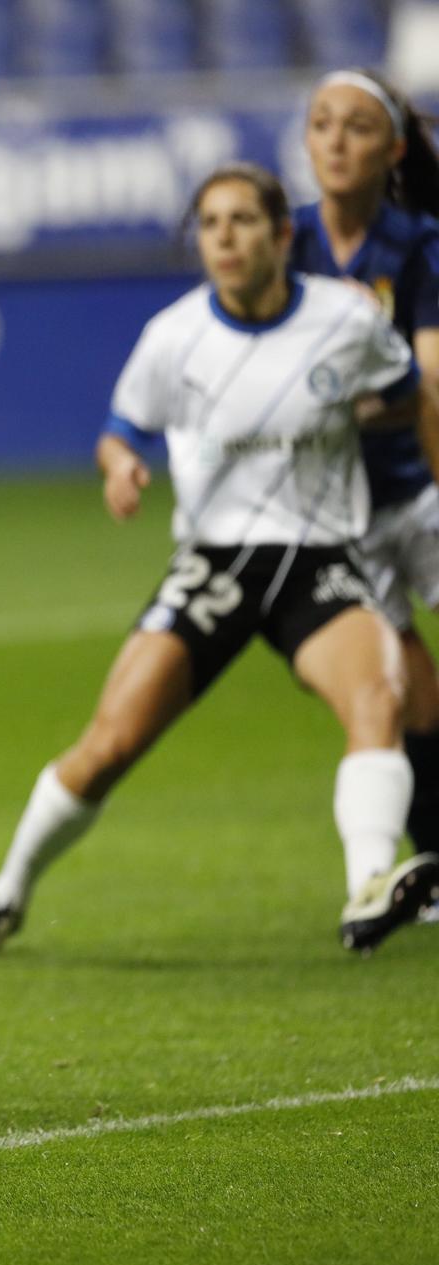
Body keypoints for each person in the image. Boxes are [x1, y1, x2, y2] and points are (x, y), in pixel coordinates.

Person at [0, 163, 438, 963]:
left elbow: (407, 388)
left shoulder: (346, 320)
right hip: (216, 565)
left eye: (243, 221)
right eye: (210, 224)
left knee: (378, 696)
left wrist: (374, 430)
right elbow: (122, 428)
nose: (225, 238)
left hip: (318, 561)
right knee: (109, 744)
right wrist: (119, 467)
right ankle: (7, 892)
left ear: (282, 236)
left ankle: (369, 887)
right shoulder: (175, 338)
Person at [291, 70, 439, 907]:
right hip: (340, 513)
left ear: (392, 149)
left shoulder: (416, 244)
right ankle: (430, 864)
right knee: (406, 686)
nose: (336, 140)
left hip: (420, 491)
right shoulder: (286, 240)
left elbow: (430, 382)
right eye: (320, 124)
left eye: (355, 126)